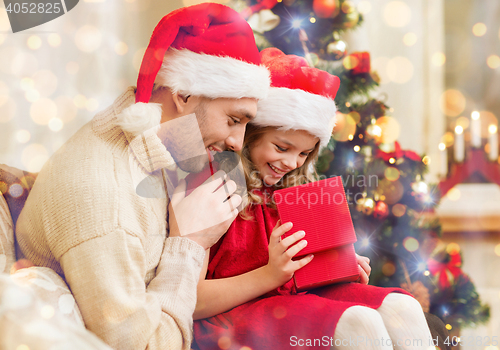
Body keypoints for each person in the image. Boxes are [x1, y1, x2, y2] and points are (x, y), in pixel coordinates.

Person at [14, 3, 270, 350]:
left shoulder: (170, 139)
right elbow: (146, 345)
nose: (237, 143)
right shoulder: (106, 202)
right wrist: (189, 246)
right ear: (183, 95)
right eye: (233, 119)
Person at [192, 48, 433, 350]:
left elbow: (300, 276)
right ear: (248, 136)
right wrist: (270, 274)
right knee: (359, 323)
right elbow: (193, 300)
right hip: (229, 317)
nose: (293, 163)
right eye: (281, 147)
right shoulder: (214, 186)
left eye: (304, 154)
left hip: (288, 300)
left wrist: (338, 266)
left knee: (402, 307)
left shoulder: (297, 193)